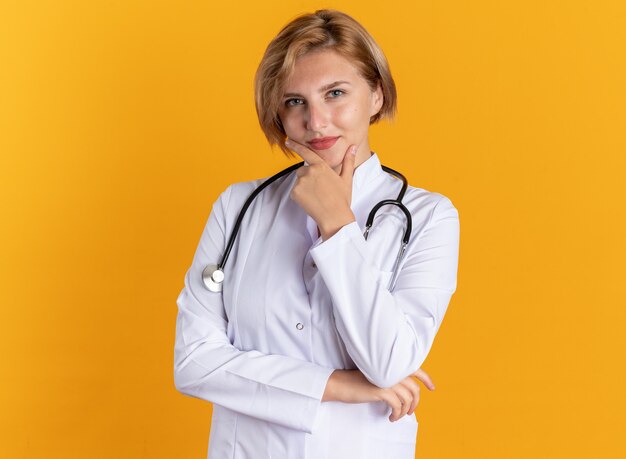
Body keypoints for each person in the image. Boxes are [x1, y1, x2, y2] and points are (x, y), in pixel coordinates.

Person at [174, 9, 460, 459]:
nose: (316, 121)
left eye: (335, 93)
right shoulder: (238, 207)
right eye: (295, 101)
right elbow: (193, 364)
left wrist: (337, 226)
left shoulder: (428, 217)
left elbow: (388, 363)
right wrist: (338, 386)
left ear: (377, 97)